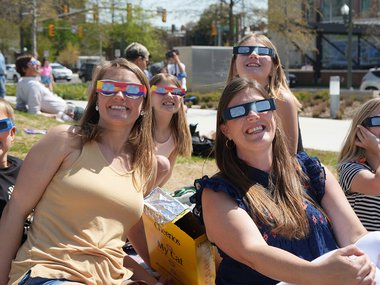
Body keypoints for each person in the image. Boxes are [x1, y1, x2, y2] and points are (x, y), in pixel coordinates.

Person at [190, 77, 377, 285]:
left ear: (272, 114)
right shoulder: (218, 193)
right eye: (238, 111)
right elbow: (255, 253)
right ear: (225, 130)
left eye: (261, 106)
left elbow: (355, 236)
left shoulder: (311, 171)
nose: (252, 115)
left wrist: (366, 260)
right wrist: (318, 274)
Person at [0, 58, 169, 285]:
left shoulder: (143, 163)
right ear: (97, 98)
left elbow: (122, 232)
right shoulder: (65, 140)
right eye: (109, 87)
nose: (119, 95)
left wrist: (155, 277)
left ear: (143, 104)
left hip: (111, 278)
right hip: (51, 271)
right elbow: (15, 212)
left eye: (131, 90)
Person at [227, 32, 302, 154]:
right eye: (245, 51)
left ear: (273, 67)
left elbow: (289, 156)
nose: (253, 54)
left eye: (262, 52)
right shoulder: (230, 101)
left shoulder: (281, 99)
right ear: (235, 66)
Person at [338, 97, 380, 231]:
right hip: (366, 249)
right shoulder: (351, 168)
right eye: (378, 120)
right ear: (361, 129)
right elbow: (377, 185)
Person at [150, 73, 192, 186]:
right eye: (161, 91)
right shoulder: (137, 130)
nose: (169, 95)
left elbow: (165, 174)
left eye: (176, 92)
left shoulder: (177, 134)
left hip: (148, 192)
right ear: (149, 96)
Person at [15, 54, 83, 122]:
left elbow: (20, 107)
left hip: (69, 108)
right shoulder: (33, 86)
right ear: (24, 69)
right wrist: (56, 116)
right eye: (33, 63)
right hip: (70, 113)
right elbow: (34, 112)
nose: (38, 64)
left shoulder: (21, 82)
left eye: (37, 61)